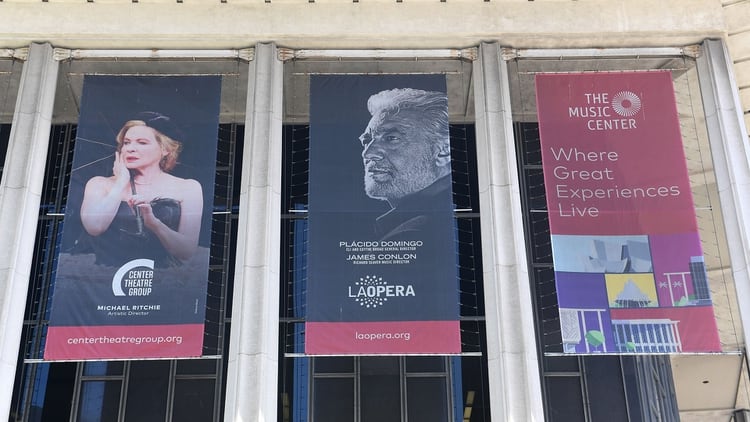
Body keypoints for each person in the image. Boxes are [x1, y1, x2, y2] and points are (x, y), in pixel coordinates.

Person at [80, 112, 203, 267]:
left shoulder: (188, 187)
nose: (130, 149)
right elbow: (94, 227)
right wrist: (121, 182)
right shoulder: (99, 184)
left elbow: (186, 251)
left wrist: (154, 224)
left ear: (165, 149)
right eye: (126, 142)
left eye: (142, 143)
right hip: (106, 280)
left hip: (167, 282)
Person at [358, 88, 453, 241]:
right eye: (366, 141)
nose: (367, 154)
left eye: (391, 138)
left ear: (444, 151)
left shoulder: (420, 233)